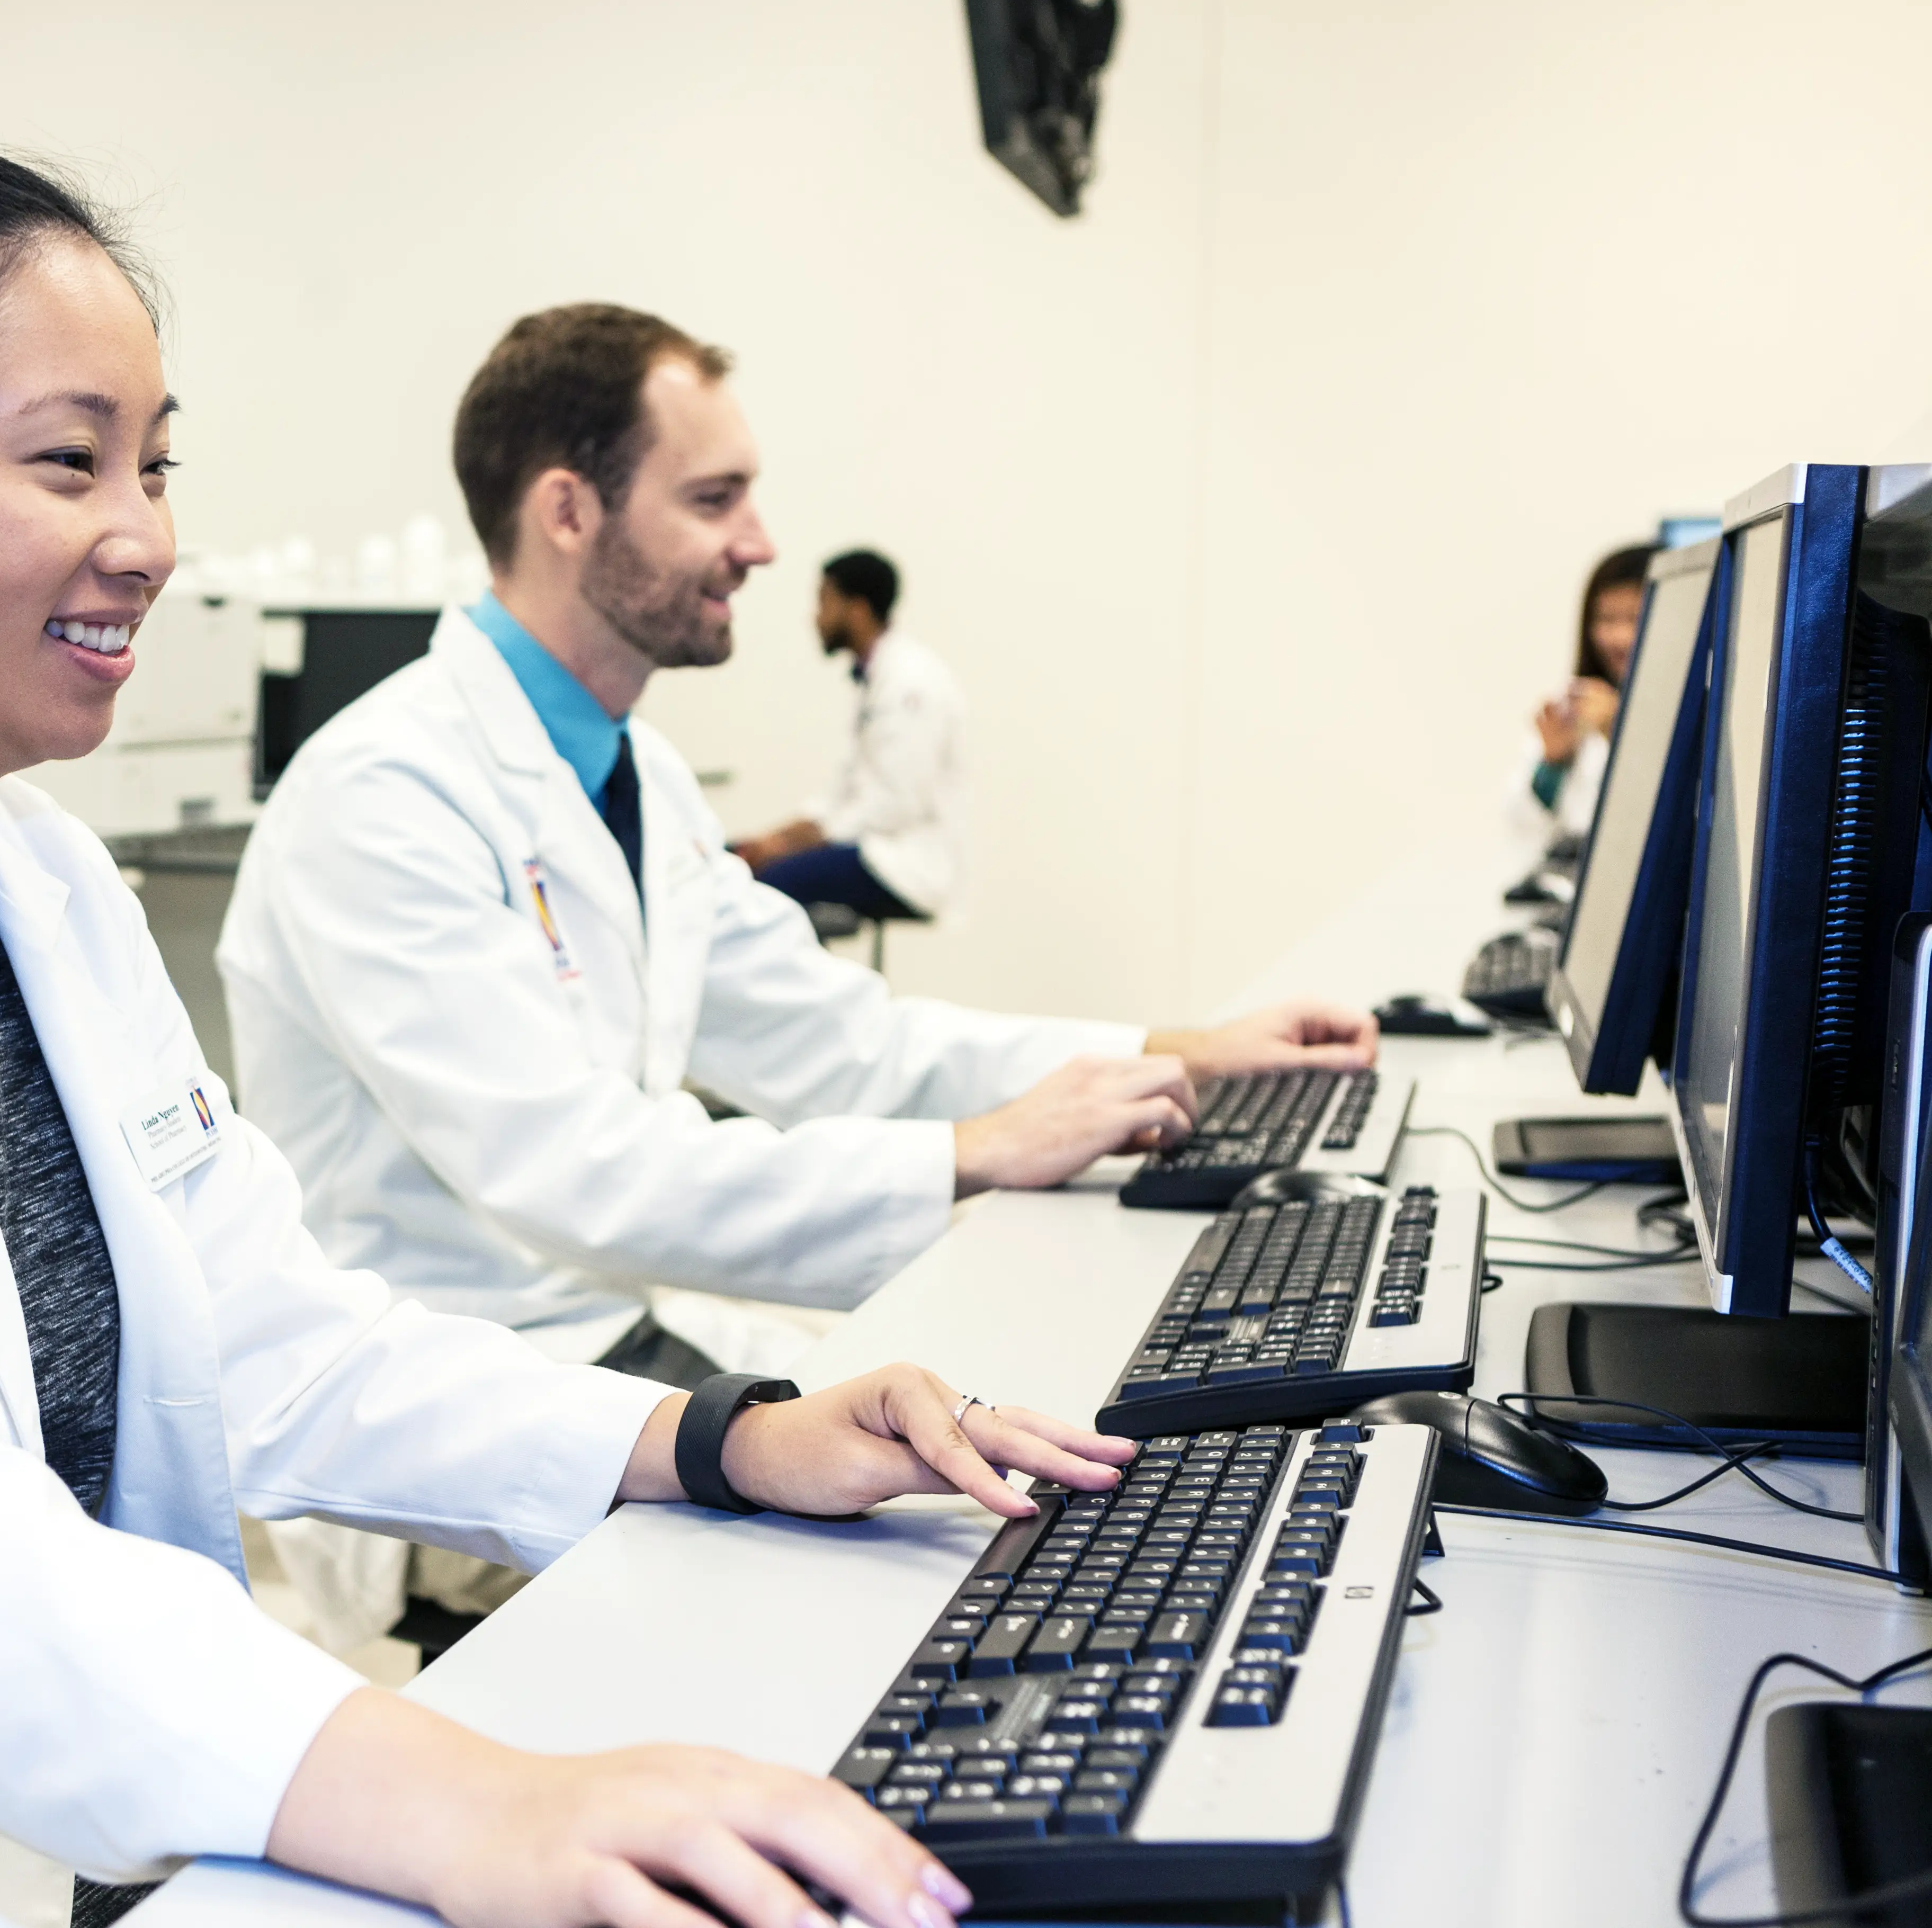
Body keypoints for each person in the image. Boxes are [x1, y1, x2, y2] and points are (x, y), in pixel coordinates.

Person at [0, 56, 1136, 1928]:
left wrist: (715, 1438)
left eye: (156, 459)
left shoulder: (41, 883)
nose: (148, 534)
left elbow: (270, 1334)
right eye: (65, 457)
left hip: (34, 1843)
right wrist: (461, 1801)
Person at [216, 303, 1374, 1649]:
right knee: (907, 1583)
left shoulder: (629, 769)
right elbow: (576, 1171)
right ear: (567, 510)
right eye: (716, 500)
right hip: (465, 1392)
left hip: (616, 1336)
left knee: (1011, 1477)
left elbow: (842, 1041)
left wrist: (1178, 1049)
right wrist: (971, 1151)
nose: (762, 545)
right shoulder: (381, 796)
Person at [733, 549, 963, 924]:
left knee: (770, 885)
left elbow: (894, 804)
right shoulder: (877, 679)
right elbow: (842, 796)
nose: (815, 617)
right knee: (735, 860)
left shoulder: (910, 684)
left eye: (825, 602)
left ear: (857, 609)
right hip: (874, 844)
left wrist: (787, 846)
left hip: (903, 863)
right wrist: (770, 839)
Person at [1514, 543, 1651, 839]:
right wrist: (1553, 764)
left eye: (1635, 619)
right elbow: (1522, 826)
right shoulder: (1572, 703)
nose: (1619, 637)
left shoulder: (1704, 701)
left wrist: (1620, 733)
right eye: (1607, 619)